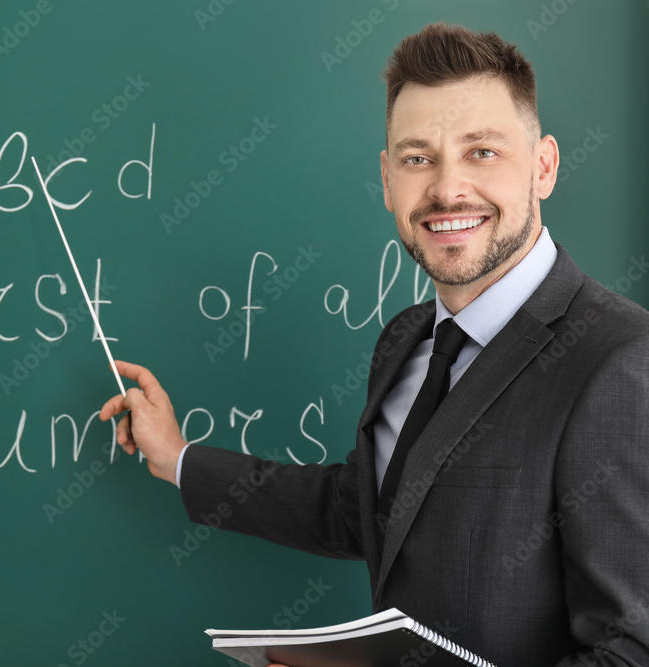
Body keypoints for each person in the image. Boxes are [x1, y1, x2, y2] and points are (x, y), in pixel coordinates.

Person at [99, 22, 649, 666]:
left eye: (482, 152)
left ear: (544, 167)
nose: (447, 189)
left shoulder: (618, 362)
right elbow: (366, 510)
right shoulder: (406, 343)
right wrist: (180, 459)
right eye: (419, 158)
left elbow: (630, 652)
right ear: (388, 180)